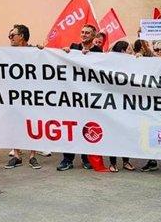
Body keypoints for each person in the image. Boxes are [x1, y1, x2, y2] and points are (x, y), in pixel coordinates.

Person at [57, 24, 103, 172]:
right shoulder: (73, 47)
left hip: (88, 98)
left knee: (86, 126)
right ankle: (67, 159)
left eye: (87, 33)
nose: (84, 34)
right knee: (70, 127)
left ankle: (85, 158)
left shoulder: (98, 51)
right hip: (72, 97)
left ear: (94, 36)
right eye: (82, 32)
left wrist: (88, 55)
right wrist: (65, 53)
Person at [0, 25, 43, 170]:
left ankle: (32, 156)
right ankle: (17, 156)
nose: (10, 38)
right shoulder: (5, 53)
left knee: (32, 124)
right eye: (9, 35)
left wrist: (43, 52)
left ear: (22, 36)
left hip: (31, 95)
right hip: (13, 95)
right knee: (14, 124)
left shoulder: (35, 52)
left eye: (12, 35)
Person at [108, 40, 136, 172]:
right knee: (113, 134)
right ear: (123, 51)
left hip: (127, 104)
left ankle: (126, 161)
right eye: (130, 49)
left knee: (126, 133)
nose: (133, 51)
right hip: (113, 104)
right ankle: (112, 163)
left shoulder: (132, 63)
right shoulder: (110, 63)